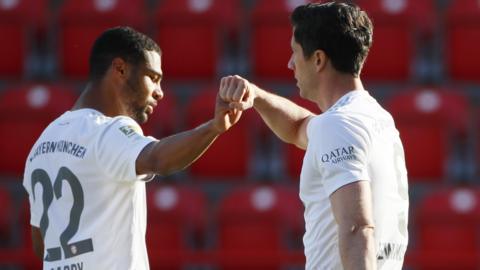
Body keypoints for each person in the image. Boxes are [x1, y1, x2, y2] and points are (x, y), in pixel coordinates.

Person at [23, 26, 242, 270]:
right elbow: (158, 159)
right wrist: (213, 127)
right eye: (153, 77)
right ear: (120, 69)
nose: (160, 93)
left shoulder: (42, 143)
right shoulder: (108, 130)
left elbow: (42, 245)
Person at [219, 2, 409, 269]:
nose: (290, 64)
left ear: (318, 59)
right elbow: (299, 127)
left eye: (295, 53)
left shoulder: (337, 126)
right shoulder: (375, 118)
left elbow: (357, 227)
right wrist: (257, 96)